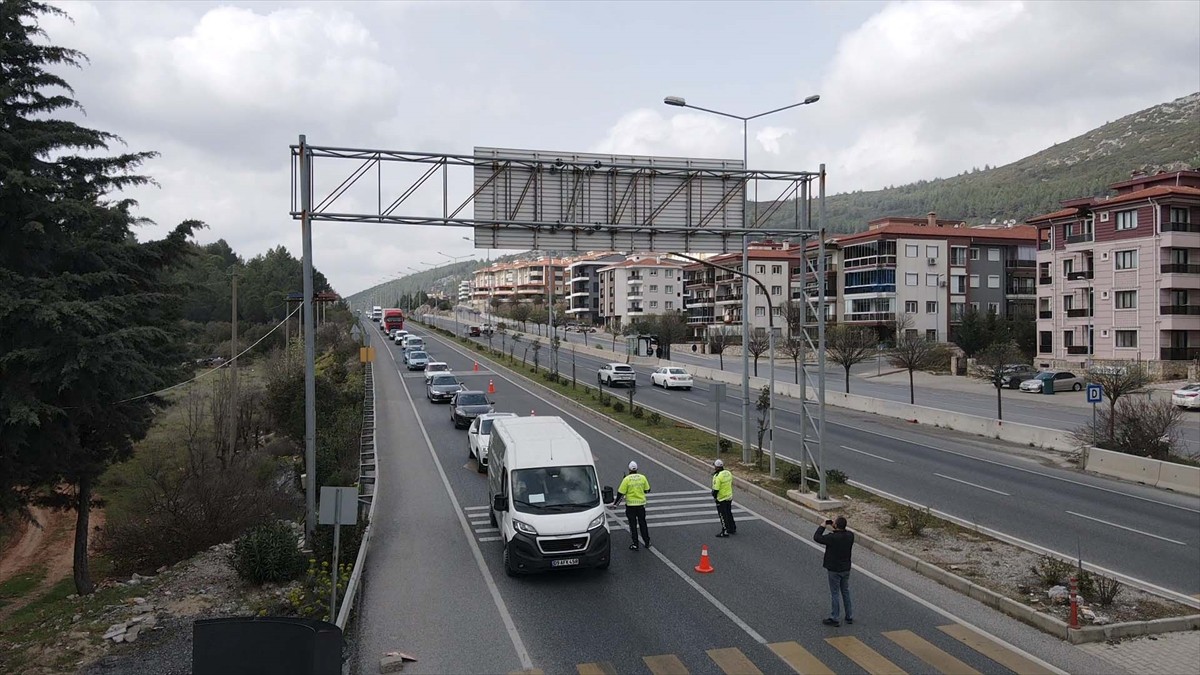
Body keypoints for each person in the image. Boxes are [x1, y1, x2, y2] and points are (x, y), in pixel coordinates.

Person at [814, 516, 855, 626]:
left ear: (836, 525)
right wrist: (835, 526)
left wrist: (823, 525)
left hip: (834, 569)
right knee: (845, 591)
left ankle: (835, 617)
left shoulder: (832, 538)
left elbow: (817, 537)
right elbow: (841, 533)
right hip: (846, 568)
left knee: (835, 593)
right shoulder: (850, 536)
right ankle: (849, 616)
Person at [611, 461, 651, 550]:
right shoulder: (642, 477)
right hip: (641, 505)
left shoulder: (626, 479)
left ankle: (635, 544)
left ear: (629, 469)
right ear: (637, 469)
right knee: (643, 524)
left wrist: (615, 505)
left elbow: (620, 493)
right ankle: (647, 542)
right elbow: (647, 490)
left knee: (633, 525)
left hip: (631, 506)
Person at [711, 459, 736, 537]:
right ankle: (732, 528)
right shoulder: (728, 473)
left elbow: (716, 489)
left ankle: (725, 531)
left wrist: (715, 497)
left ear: (717, 467)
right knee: (729, 513)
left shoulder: (717, 476)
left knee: (722, 515)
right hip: (729, 496)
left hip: (721, 498)